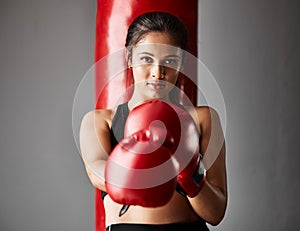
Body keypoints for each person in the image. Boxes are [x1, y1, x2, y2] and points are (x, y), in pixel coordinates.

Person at [80, 12, 227, 231]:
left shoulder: (203, 119)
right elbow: (97, 173)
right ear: (130, 58)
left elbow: (215, 213)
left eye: (170, 61)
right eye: (146, 59)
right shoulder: (100, 121)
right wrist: (155, 168)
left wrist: (189, 177)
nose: (158, 73)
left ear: (181, 63)